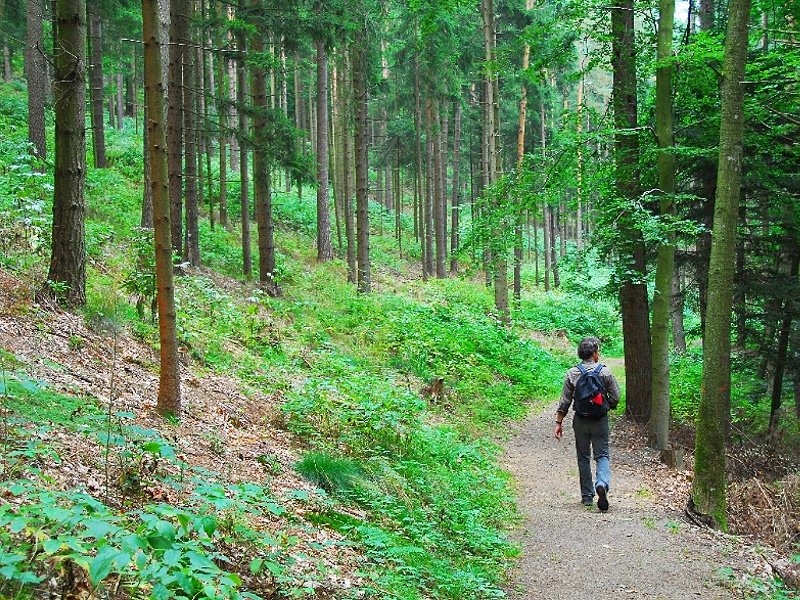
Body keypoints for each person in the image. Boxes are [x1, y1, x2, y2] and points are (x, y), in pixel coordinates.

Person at [554, 336, 621, 511]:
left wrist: (559, 422)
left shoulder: (572, 373)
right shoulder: (605, 372)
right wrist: (609, 405)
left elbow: (564, 401)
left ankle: (587, 496)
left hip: (580, 420)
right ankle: (602, 483)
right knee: (602, 455)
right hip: (600, 420)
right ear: (594, 353)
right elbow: (616, 396)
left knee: (583, 457)